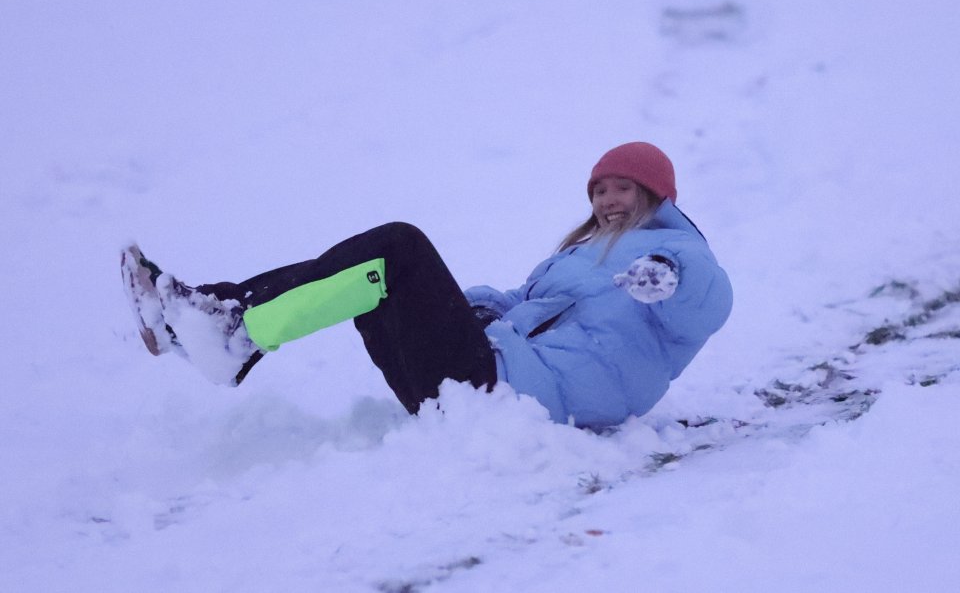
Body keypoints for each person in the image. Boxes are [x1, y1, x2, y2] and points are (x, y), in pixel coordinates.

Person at [121, 142, 732, 430]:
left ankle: (230, 328)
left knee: (399, 246)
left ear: (656, 194)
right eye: (598, 190)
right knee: (374, 278)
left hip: (519, 399)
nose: (606, 200)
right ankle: (199, 325)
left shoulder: (675, 255)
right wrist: (471, 307)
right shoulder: (580, 255)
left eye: (622, 188)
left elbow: (707, 299)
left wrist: (667, 279)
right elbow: (525, 304)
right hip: (480, 382)